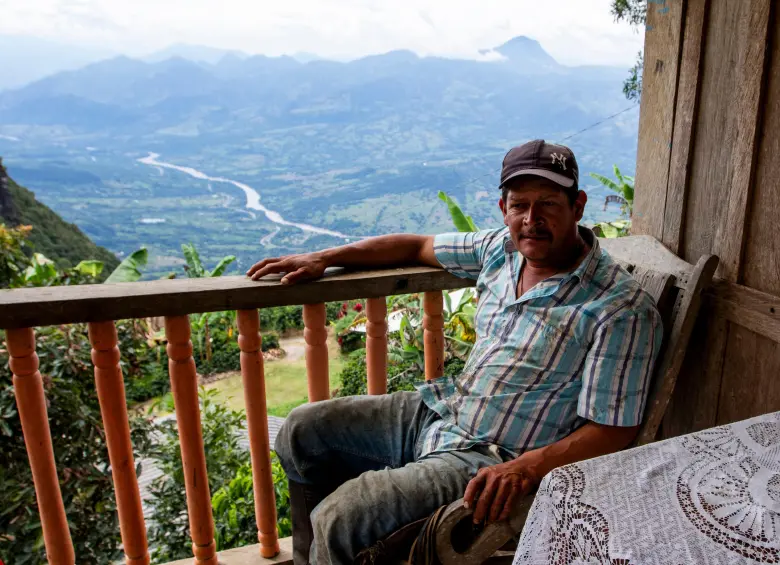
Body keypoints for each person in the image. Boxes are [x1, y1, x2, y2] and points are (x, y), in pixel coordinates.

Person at [247, 139, 663, 565]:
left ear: (577, 206)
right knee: (301, 431)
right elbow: (414, 246)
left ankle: (341, 546)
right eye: (519, 205)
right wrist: (324, 257)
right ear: (504, 209)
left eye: (548, 204)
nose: (531, 219)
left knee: (340, 518)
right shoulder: (500, 250)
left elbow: (613, 429)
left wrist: (526, 468)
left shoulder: (618, 308)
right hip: (440, 410)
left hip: (487, 459)